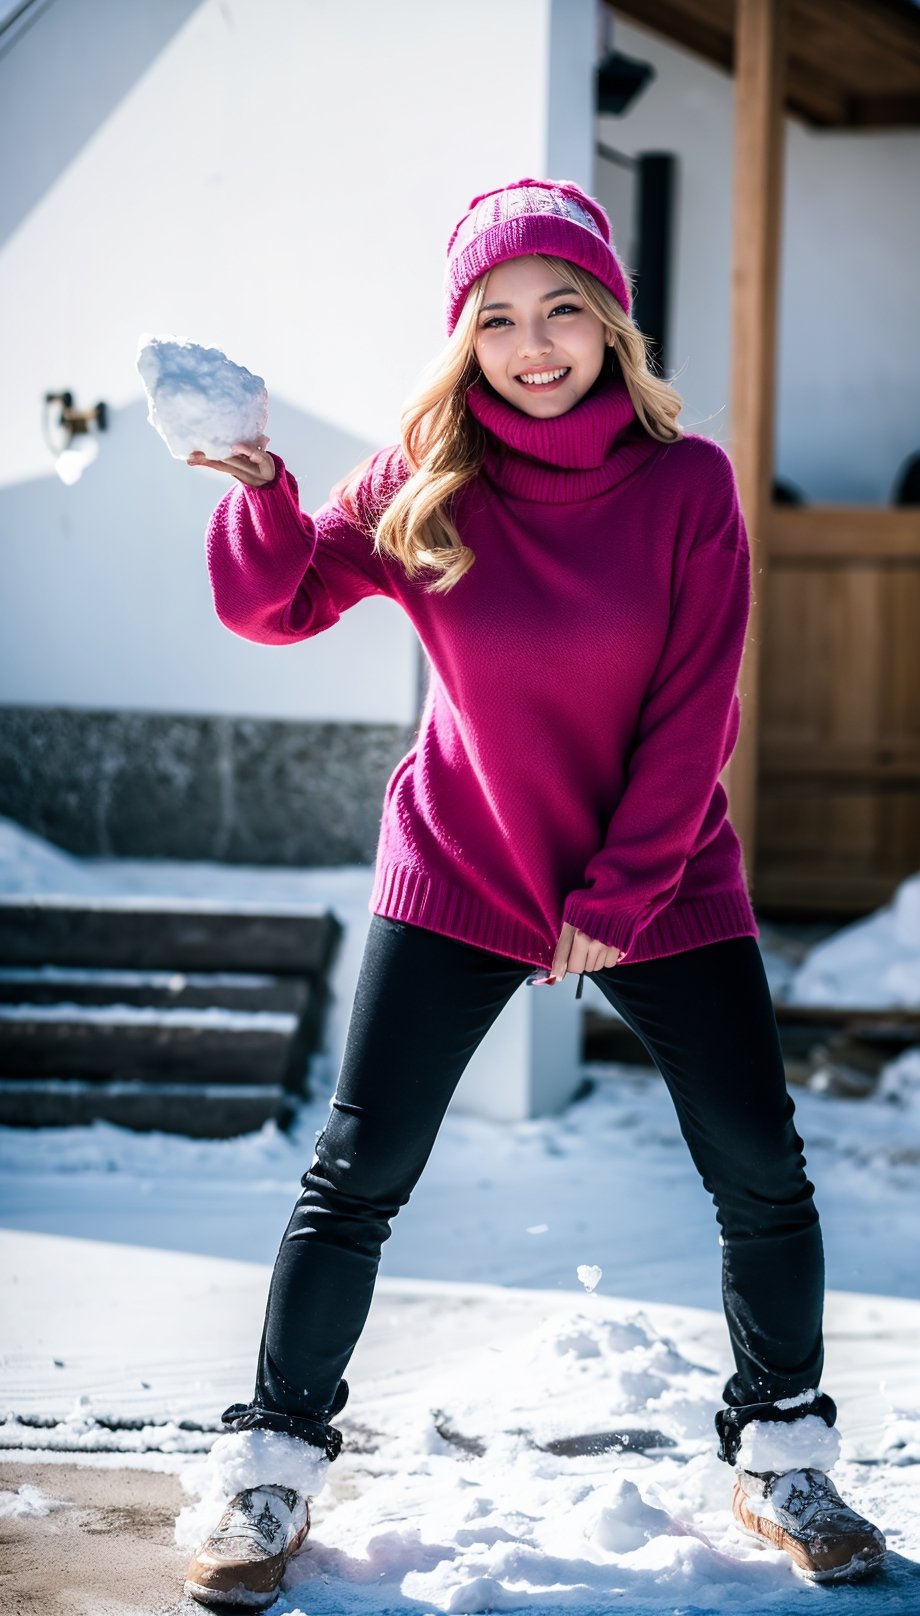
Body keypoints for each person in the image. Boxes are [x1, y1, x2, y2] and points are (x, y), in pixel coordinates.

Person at [182, 177, 886, 1608]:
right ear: (468, 341)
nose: (535, 341)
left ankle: (782, 1452)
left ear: (611, 320)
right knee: (355, 1177)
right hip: (461, 863)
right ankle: (271, 1465)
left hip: (662, 870)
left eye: (562, 306)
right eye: (497, 319)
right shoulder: (431, 470)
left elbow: (699, 709)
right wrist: (262, 491)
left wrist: (625, 889)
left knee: (760, 1166)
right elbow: (280, 603)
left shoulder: (688, 486)